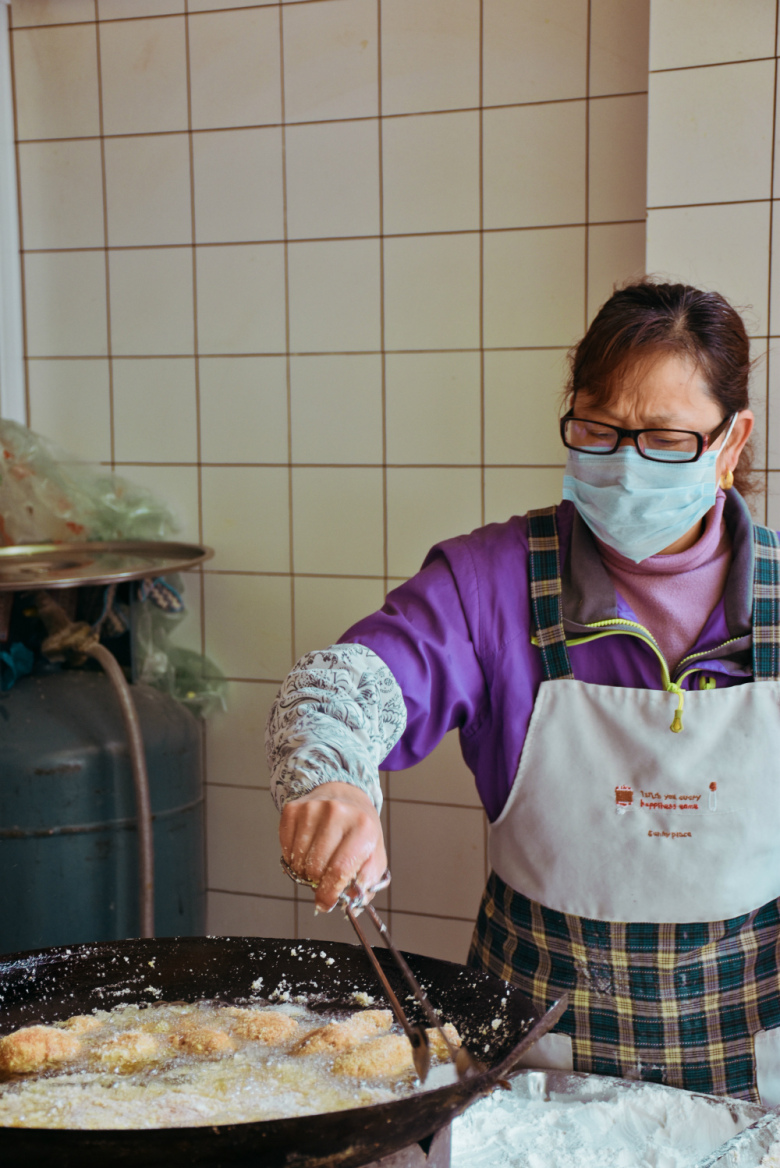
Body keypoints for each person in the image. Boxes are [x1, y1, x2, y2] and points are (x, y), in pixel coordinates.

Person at [266, 279, 780, 1105]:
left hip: (751, 1078)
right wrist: (329, 774)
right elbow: (346, 684)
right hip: (536, 1074)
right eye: (598, 430)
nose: (626, 463)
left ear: (731, 441)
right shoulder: (494, 581)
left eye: (663, 439)